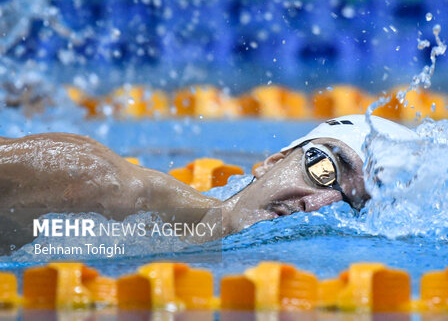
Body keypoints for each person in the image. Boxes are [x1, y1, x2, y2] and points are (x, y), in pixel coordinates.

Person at [0, 115, 413, 250]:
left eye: (350, 204)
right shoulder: (102, 186)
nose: (317, 204)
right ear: (271, 161)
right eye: (324, 169)